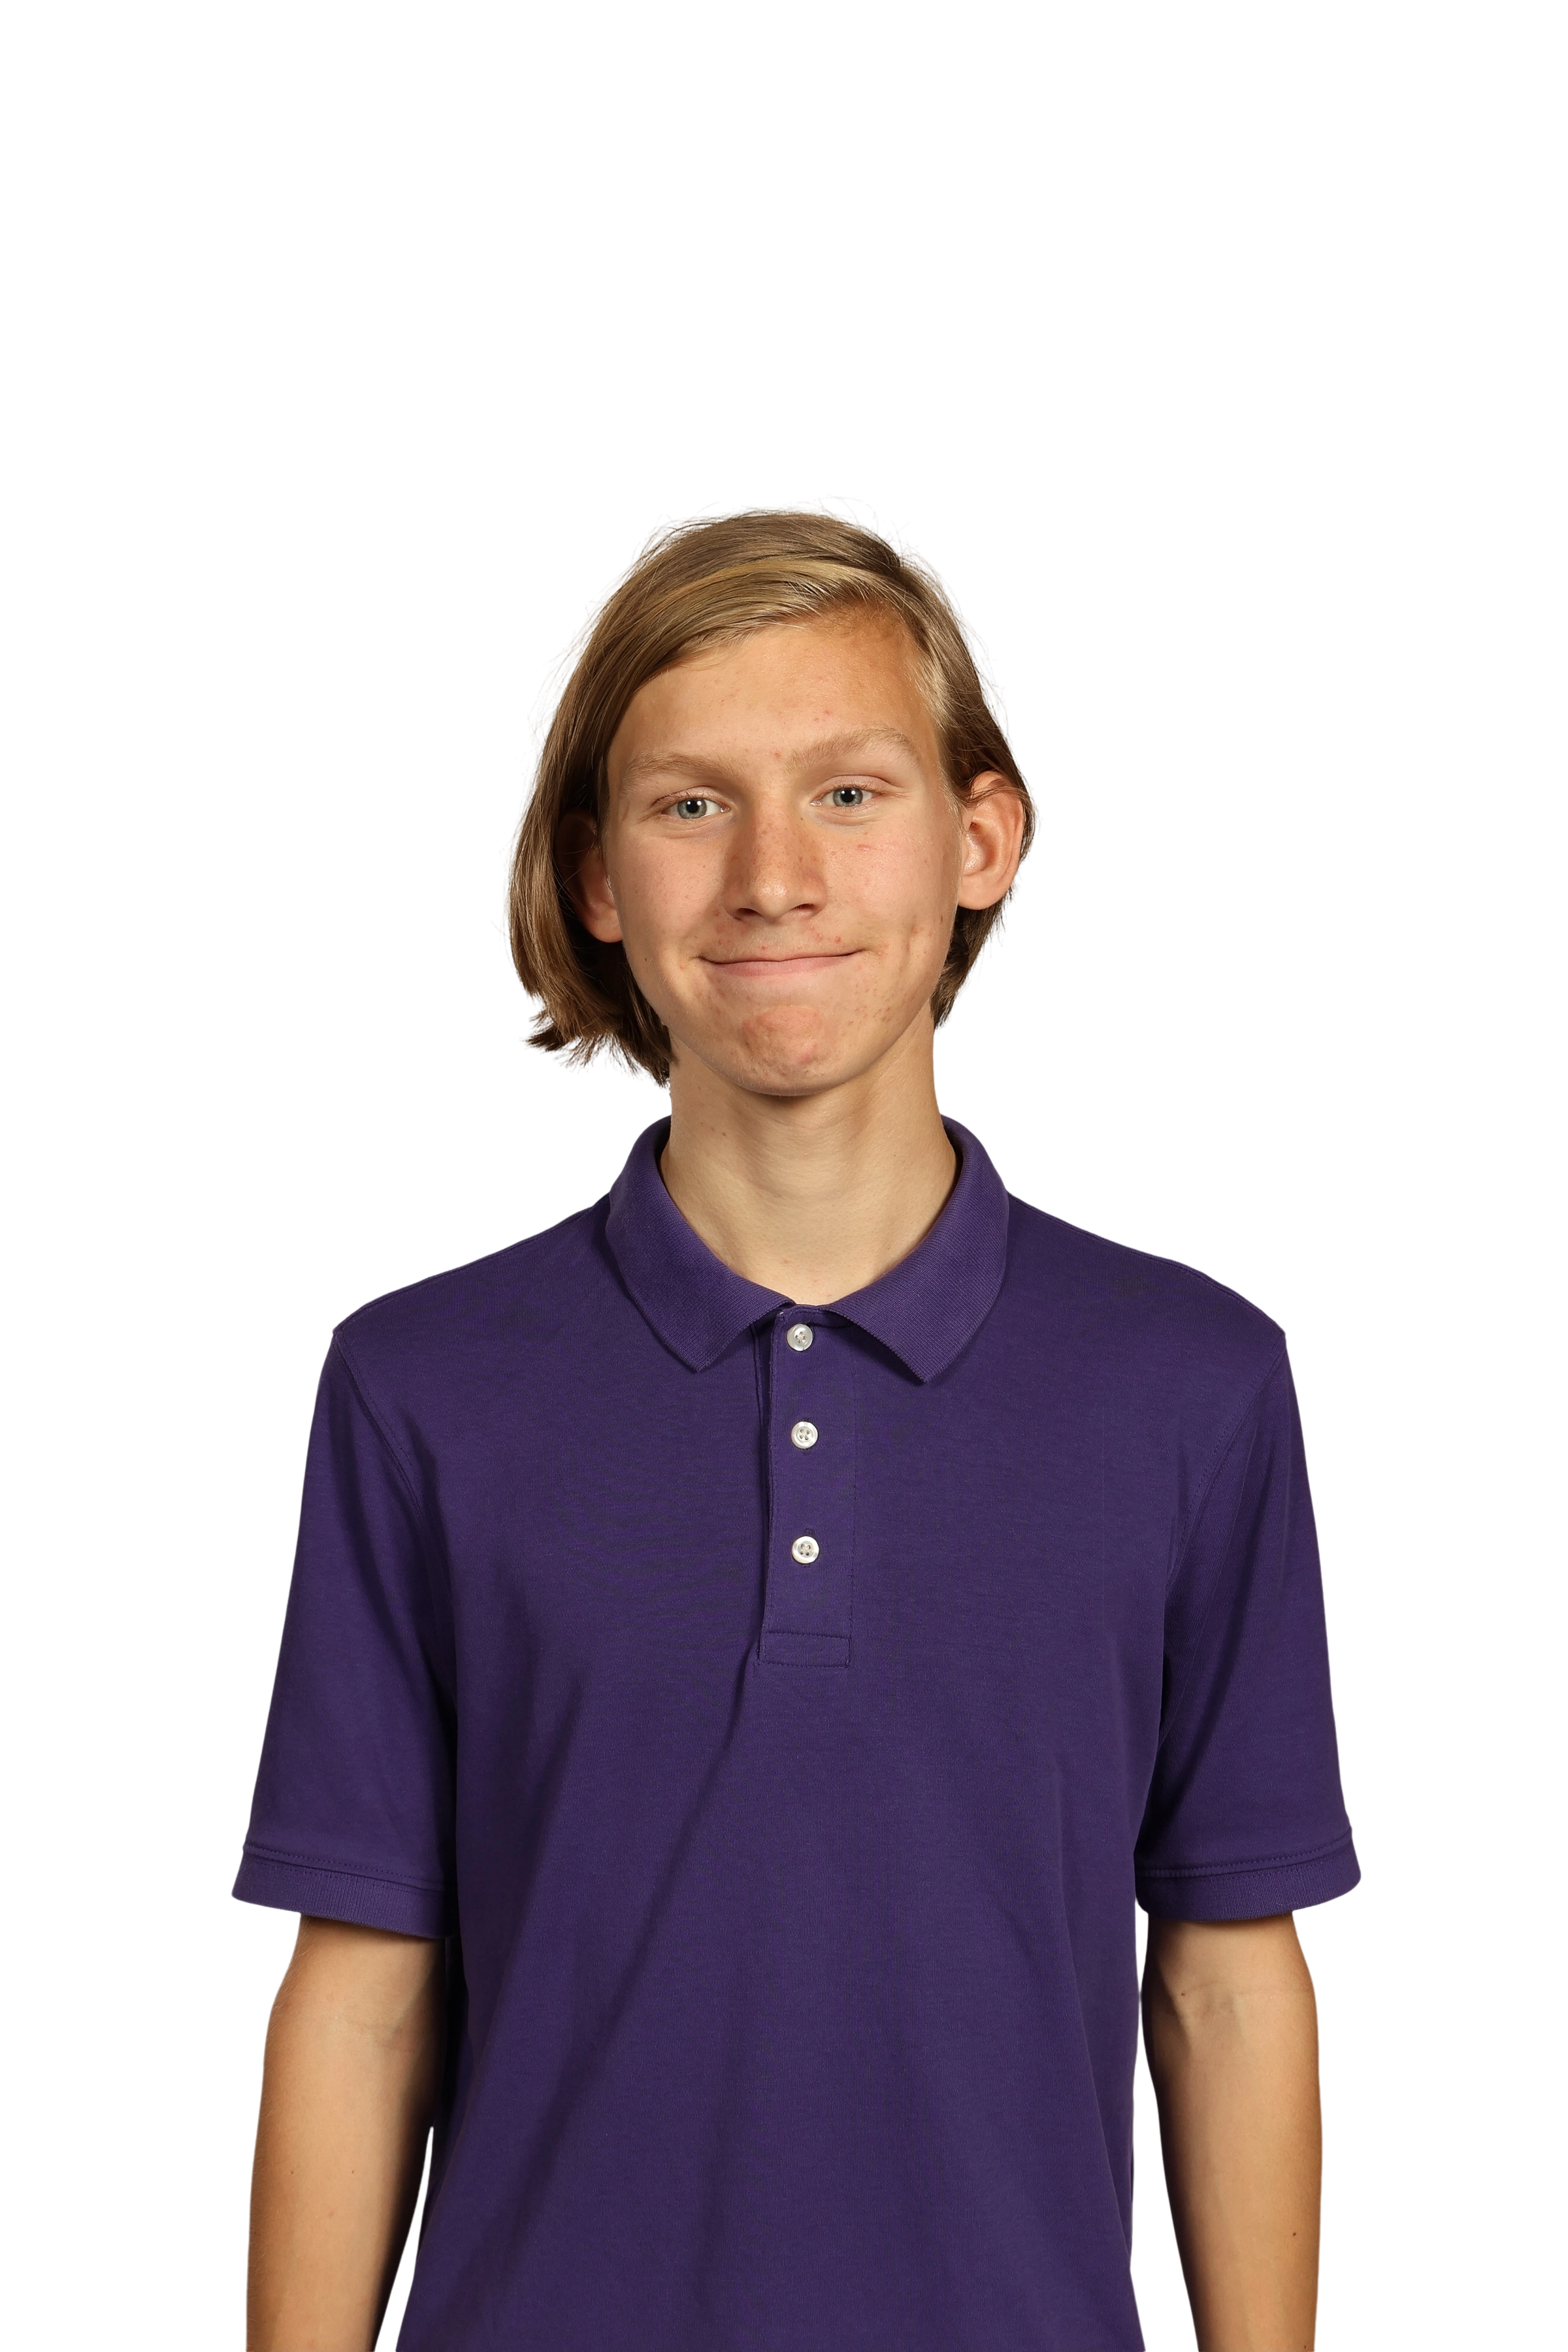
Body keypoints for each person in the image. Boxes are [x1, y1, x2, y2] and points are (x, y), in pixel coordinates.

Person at [232, 495, 1361, 2351]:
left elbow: (1230, 1976)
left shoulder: (1193, 1379)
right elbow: (361, 1993)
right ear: (599, 878)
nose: (774, 876)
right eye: (692, 804)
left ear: (980, 838)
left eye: (849, 791)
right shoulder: (419, 1384)